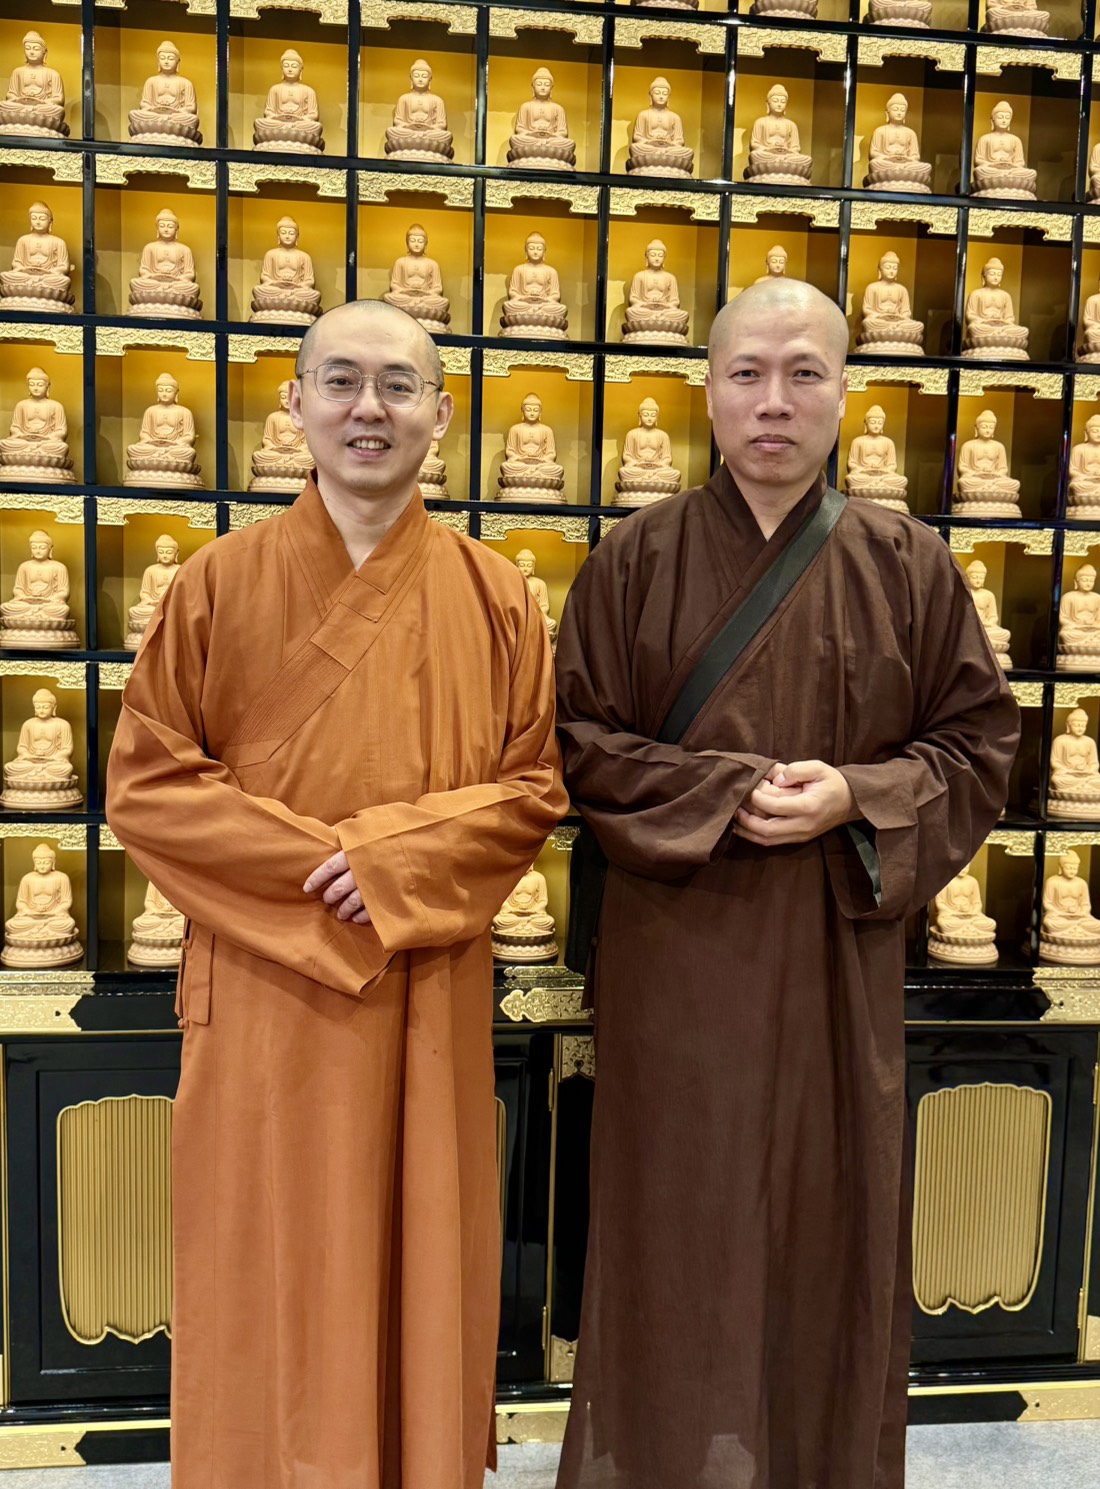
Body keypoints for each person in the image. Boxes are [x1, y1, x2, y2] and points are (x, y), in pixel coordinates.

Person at [553, 278, 1020, 1489]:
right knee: (674, 1221)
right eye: (747, 373)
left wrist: (853, 795)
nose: (773, 400)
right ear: (706, 390)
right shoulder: (633, 558)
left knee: (826, 1217)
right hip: (677, 947)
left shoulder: (907, 562)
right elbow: (578, 745)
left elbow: (978, 744)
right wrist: (721, 793)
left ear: (843, 393)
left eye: (802, 373)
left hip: (830, 948)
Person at [106, 299, 567, 1489]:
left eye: (399, 386)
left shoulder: (496, 595)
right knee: (265, 1264)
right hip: (264, 990)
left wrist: (389, 864)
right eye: (343, 381)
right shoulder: (217, 583)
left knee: (419, 1263)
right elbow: (148, 786)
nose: (371, 409)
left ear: (441, 414)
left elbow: (531, 789)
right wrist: (322, 879)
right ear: (296, 404)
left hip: (425, 982)